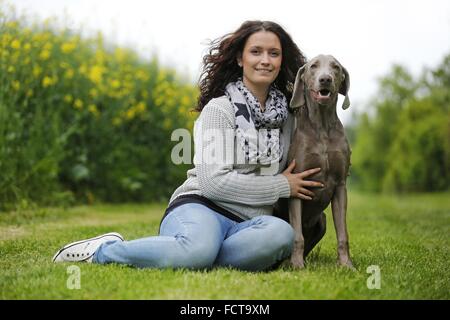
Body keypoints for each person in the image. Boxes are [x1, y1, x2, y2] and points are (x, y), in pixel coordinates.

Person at [53, 20, 324, 271]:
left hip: (250, 223)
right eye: (256, 52)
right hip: (201, 206)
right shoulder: (220, 109)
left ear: (281, 60)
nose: (265, 60)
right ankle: (104, 251)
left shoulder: (288, 119)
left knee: (280, 235)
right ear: (241, 59)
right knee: (198, 249)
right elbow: (213, 183)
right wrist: (280, 185)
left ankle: (195, 256)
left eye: (273, 53)